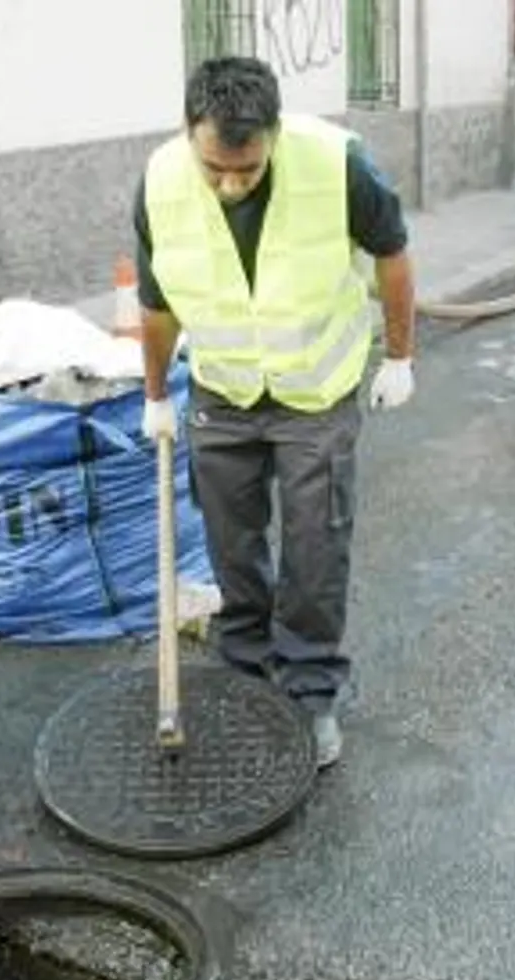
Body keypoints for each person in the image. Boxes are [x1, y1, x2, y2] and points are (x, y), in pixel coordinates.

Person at [132, 56, 418, 769]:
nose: (230, 185)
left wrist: (401, 355)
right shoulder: (161, 181)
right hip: (224, 391)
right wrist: (156, 395)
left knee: (316, 544)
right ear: (188, 133)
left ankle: (310, 688)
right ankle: (247, 663)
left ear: (274, 134)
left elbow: (393, 254)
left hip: (315, 393)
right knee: (231, 539)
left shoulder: (338, 164)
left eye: (248, 170)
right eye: (215, 169)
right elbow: (157, 303)